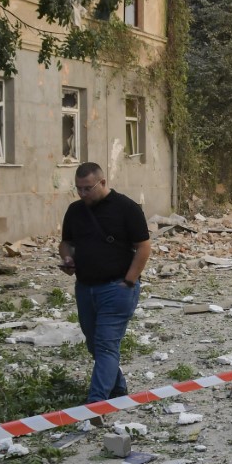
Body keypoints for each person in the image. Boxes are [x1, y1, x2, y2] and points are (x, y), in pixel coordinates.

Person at [59, 162, 151, 417]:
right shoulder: (75, 211)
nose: (82, 194)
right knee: (94, 345)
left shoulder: (127, 208)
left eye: (87, 188)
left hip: (116, 288)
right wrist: (67, 259)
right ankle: (118, 390)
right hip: (86, 287)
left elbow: (143, 247)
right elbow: (66, 243)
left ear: (102, 182)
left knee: (107, 345)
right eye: (78, 189)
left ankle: (95, 405)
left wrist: (130, 281)